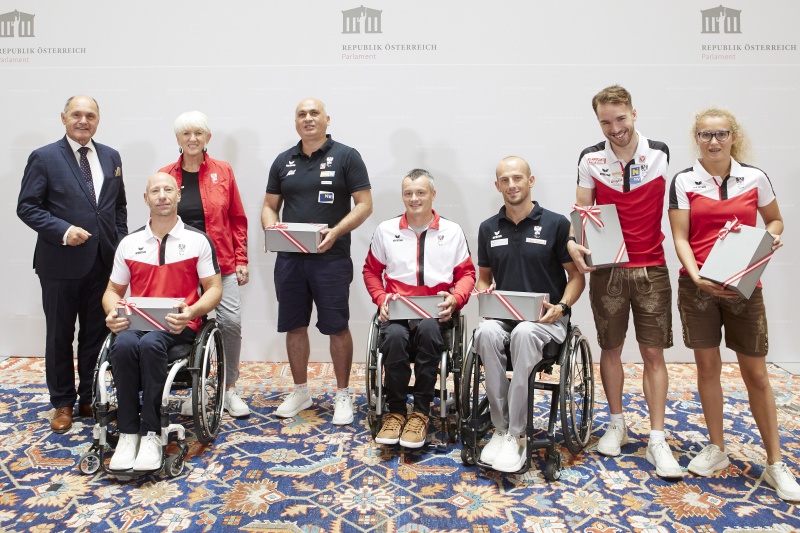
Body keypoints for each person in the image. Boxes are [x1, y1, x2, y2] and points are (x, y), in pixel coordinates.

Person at [668, 108, 800, 501]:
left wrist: (771, 237)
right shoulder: (684, 180)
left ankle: (776, 464)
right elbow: (679, 237)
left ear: (732, 136)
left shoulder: (754, 177)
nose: (713, 141)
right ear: (697, 138)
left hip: (745, 285)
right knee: (708, 370)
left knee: (756, 374)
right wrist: (695, 277)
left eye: (720, 134)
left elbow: (775, 221)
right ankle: (717, 449)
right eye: (706, 135)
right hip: (698, 288)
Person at [568, 85, 681, 477]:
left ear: (634, 113)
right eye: (605, 121)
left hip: (652, 268)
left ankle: (657, 438)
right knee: (611, 348)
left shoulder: (661, 152)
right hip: (608, 269)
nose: (614, 128)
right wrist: (573, 241)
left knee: (653, 354)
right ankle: (616, 422)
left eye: (620, 118)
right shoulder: (589, 158)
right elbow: (581, 211)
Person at [17, 95, 128, 433]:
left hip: (102, 263)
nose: (83, 120)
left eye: (90, 115)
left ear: (98, 120)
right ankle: (62, 402)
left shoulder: (111, 156)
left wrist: (119, 245)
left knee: (95, 335)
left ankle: (89, 398)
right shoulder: (45, 157)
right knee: (60, 336)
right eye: (77, 114)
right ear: (63, 117)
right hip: (59, 263)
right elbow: (27, 207)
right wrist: (64, 231)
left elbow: (117, 208)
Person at [261, 98, 372, 425]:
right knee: (294, 325)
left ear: (326, 119)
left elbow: (364, 204)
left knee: (337, 326)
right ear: (296, 122)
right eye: (301, 114)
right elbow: (269, 205)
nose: (308, 119)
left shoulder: (347, 157)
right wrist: (271, 227)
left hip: (331, 259)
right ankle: (301, 390)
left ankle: (342, 394)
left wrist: (336, 231)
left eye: (314, 113)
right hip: (290, 260)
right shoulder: (284, 161)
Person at [102, 172, 222, 471]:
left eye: (168, 189)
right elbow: (112, 291)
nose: (162, 195)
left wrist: (192, 313)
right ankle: (129, 433)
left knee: (154, 342)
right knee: (124, 343)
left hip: (178, 327)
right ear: (146, 199)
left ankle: (152, 432)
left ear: (178, 195)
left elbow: (214, 289)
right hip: (136, 325)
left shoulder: (197, 241)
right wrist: (112, 313)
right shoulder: (129, 243)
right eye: (155, 191)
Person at [473, 156, 584, 473]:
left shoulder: (557, 224)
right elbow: (484, 277)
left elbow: (576, 277)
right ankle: (500, 427)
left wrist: (562, 307)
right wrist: (483, 292)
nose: (512, 185)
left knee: (524, 333)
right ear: (497, 186)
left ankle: (518, 434)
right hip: (504, 319)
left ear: (530, 181)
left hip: (546, 324)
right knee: (485, 333)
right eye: (505, 180)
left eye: (518, 178)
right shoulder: (488, 228)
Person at [363, 169, 475, 447]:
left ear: (433, 195)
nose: (414, 199)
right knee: (395, 338)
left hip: (436, 312)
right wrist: (380, 299)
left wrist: (456, 299)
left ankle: (421, 412)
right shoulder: (386, 231)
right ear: (403, 196)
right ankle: (397, 411)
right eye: (408, 193)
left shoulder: (452, 232)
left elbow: (467, 275)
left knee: (428, 332)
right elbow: (371, 271)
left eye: (421, 193)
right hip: (398, 311)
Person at [159, 111, 250, 418]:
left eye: (198, 133)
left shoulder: (223, 171)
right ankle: (191, 387)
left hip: (220, 263)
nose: (192, 139)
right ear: (178, 139)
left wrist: (241, 260)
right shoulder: (166, 176)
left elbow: (237, 218)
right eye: (186, 134)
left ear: (208, 138)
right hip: (180, 268)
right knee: (185, 325)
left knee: (230, 323)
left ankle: (228, 389)